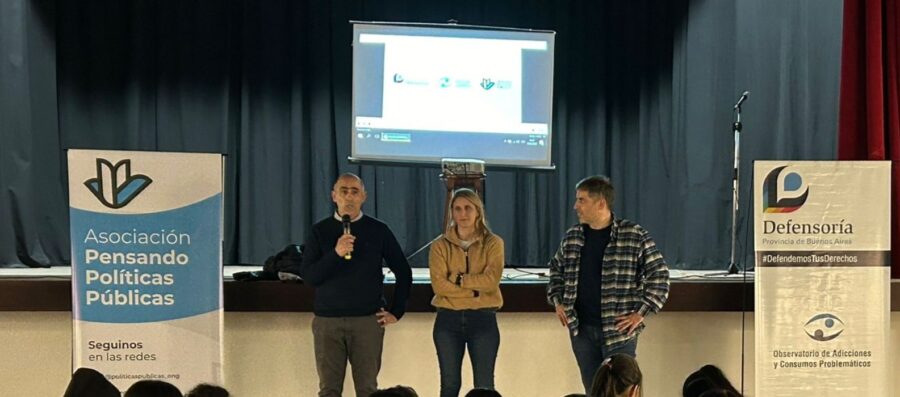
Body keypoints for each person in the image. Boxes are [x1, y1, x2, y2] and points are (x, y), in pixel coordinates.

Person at [546, 175, 670, 393]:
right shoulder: (573, 236)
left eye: (581, 200)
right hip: (582, 331)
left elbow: (659, 277)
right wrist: (557, 301)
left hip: (618, 331)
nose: (576, 206)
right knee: (593, 390)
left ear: (601, 203)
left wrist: (640, 313)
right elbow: (556, 271)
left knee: (622, 391)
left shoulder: (634, 235)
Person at [299, 172, 414, 397]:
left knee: (368, 390)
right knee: (329, 390)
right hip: (328, 322)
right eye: (344, 191)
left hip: (367, 321)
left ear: (364, 197)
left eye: (355, 192)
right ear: (334, 196)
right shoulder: (320, 231)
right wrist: (336, 253)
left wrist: (397, 311)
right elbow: (310, 276)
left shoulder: (378, 229)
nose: (349, 197)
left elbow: (403, 271)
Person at [429, 188, 505, 397]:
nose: (463, 214)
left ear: (478, 211)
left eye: (468, 208)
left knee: (484, 386)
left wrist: (459, 279)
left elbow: (491, 282)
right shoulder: (439, 246)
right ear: (451, 212)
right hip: (448, 320)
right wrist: (473, 291)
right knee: (449, 386)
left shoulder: (493, 243)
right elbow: (439, 286)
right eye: (457, 209)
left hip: (483, 319)